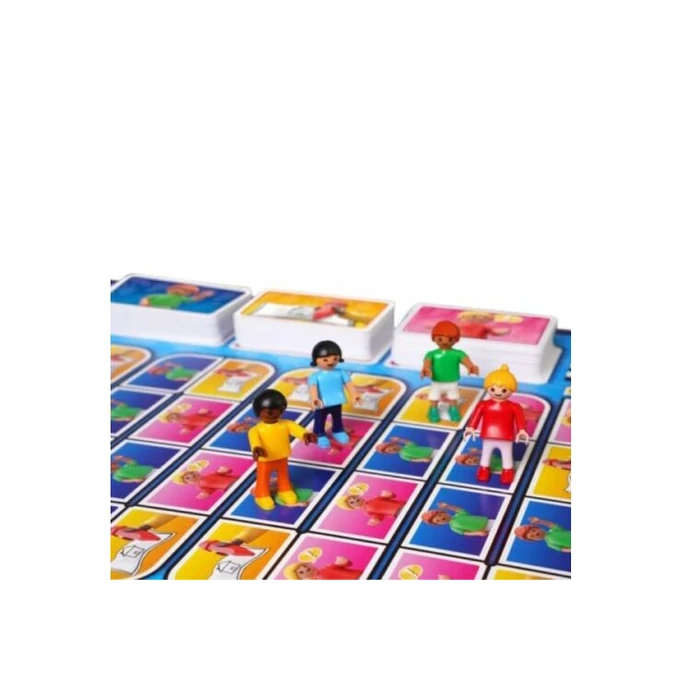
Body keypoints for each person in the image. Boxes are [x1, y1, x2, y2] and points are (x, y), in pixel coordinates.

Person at [248, 389, 317, 511]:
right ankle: (261, 495)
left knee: (283, 475)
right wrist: (257, 449)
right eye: (270, 412)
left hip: (282, 457)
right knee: (263, 478)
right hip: (265, 459)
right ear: (259, 412)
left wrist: (305, 435)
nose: (274, 414)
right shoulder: (256, 430)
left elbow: (297, 430)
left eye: (279, 411)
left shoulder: (286, 424)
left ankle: (285, 490)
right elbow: (254, 441)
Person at [464, 364, 528, 485]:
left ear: (511, 390)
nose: (498, 392)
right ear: (488, 388)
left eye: (503, 390)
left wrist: (522, 430)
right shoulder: (483, 404)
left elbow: (520, 420)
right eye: (493, 389)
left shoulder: (514, 406)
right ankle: (483, 470)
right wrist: (471, 427)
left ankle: (507, 473)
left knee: (506, 455)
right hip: (488, 435)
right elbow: (476, 416)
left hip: (506, 436)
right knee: (486, 454)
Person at [421, 321, 479, 423]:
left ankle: (453, 409)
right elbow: (427, 362)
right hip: (437, 381)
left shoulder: (458, 353)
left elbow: (466, 360)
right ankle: (433, 409)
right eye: (440, 339)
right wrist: (426, 369)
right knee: (434, 396)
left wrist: (470, 366)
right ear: (434, 338)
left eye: (450, 339)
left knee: (453, 396)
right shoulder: (432, 354)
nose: (444, 342)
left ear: (456, 340)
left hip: (452, 381)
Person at [307, 340, 358, 448]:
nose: (331, 362)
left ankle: (338, 430)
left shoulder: (341, 373)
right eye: (325, 359)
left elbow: (348, 384)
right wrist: (315, 399)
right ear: (316, 360)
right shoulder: (315, 376)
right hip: (322, 404)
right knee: (320, 420)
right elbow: (313, 388)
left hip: (337, 401)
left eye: (335, 358)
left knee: (337, 417)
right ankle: (319, 433)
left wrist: (354, 395)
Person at [421, 502, 492, 536]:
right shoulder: (453, 527)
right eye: (438, 520)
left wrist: (448, 506)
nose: (441, 518)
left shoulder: (459, 515)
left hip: (488, 522)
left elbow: (457, 509)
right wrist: (478, 533)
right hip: (484, 529)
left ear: (444, 512)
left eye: (440, 515)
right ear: (439, 524)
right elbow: (466, 533)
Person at [139, 283, 214, 309]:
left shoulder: (181, 298)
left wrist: (204, 295)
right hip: (151, 307)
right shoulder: (158, 296)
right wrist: (145, 304)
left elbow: (194, 299)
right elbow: (146, 298)